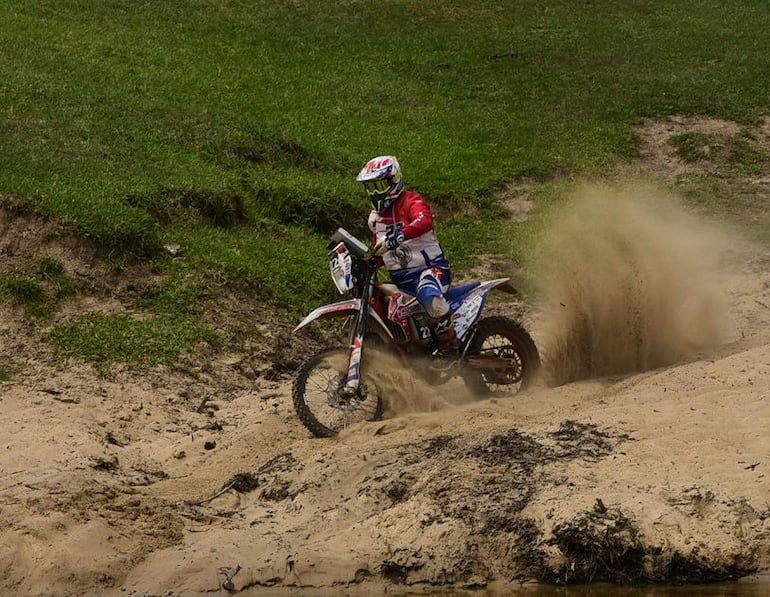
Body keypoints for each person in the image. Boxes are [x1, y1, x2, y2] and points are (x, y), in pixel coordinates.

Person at [356, 155, 460, 358]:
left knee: (428, 293)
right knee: (379, 302)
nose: (375, 193)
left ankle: (450, 343)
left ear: (394, 180)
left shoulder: (412, 200)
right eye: (370, 187)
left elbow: (424, 221)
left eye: (379, 186)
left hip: (432, 270)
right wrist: (369, 262)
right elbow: (380, 250)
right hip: (401, 280)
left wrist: (401, 235)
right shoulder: (375, 219)